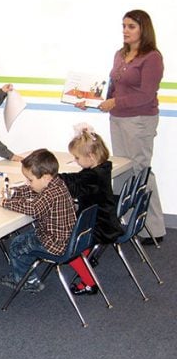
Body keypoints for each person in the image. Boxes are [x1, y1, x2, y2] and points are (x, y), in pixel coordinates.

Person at [96, 9, 165, 245]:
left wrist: (115, 102)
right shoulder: (120, 54)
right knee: (123, 170)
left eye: (131, 26)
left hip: (140, 120)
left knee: (140, 170)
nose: (125, 30)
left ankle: (153, 228)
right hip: (117, 118)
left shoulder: (152, 57)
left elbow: (146, 95)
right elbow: (114, 87)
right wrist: (97, 101)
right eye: (124, 26)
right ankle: (125, 222)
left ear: (143, 29)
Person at [0, 148, 76, 293]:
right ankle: (27, 275)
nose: (27, 182)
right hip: (68, 238)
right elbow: (32, 190)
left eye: (30, 179)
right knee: (22, 239)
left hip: (55, 242)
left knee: (16, 246)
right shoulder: (56, 183)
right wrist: (14, 192)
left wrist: (6, 203)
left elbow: (33, 209)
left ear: (45, 177)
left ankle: (27, 281)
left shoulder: (50, 193)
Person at [59, 124, 123, 296]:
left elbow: (75, 185)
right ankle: (86, 259)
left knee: (69, 251)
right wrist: (61, 177)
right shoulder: (102, 168)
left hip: (98, 226)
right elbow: (78, 178)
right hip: (104, 221)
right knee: (76, 246)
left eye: (77, 158)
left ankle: (89, 284)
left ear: (91, 156)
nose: (75, 161)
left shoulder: (93, 176)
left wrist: (53, 178)